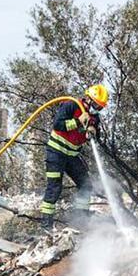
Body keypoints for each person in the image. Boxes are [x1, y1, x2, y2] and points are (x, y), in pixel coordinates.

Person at [40, 83, 109, 228]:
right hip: (56, 152)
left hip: (72, 156)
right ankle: (46, 226)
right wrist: (78, 121)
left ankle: (81, 222)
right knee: (54, 188)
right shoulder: (71, 105)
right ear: (89, 99)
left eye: (100, 108)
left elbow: (96, 133)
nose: (97, 110)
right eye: (96, 106)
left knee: (86, 185)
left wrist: (93, 129)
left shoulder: (94, 117)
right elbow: (58, 125)